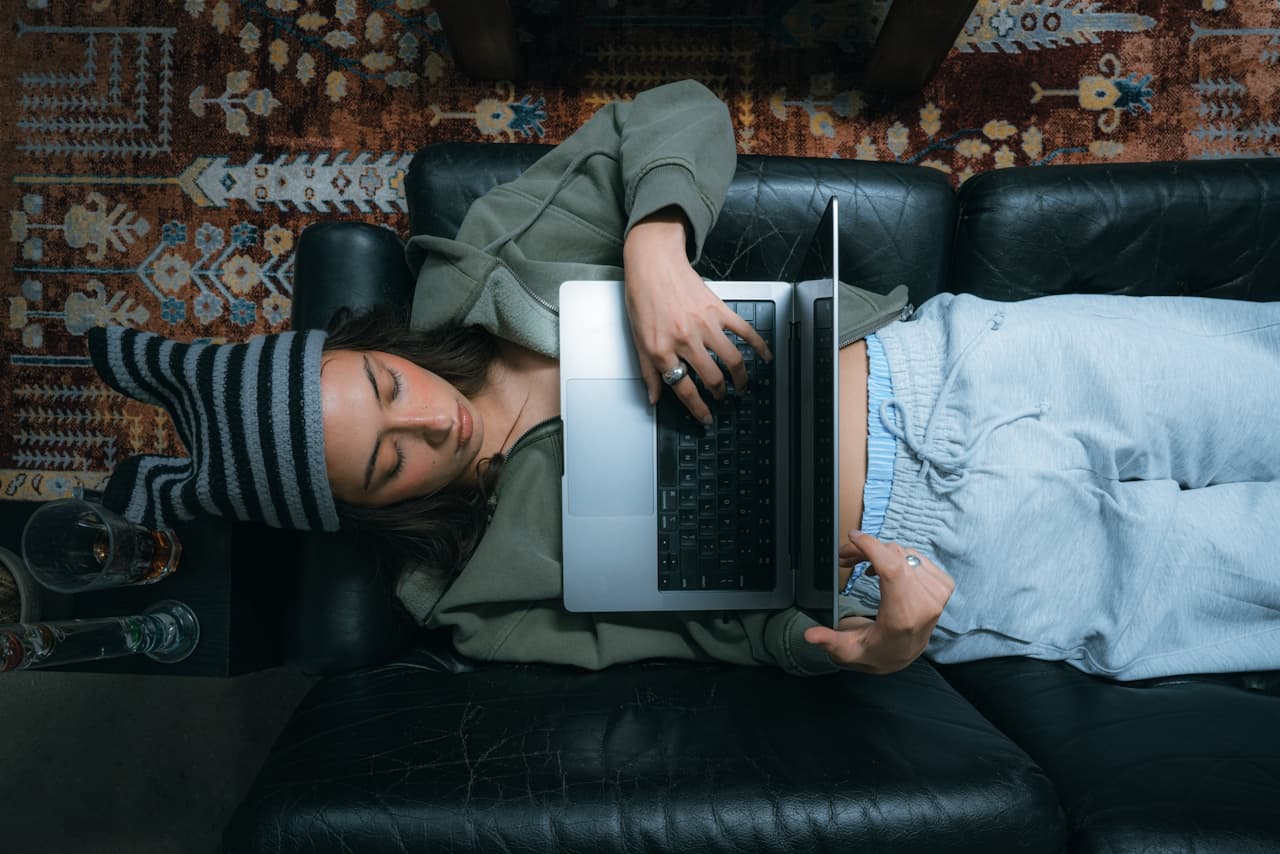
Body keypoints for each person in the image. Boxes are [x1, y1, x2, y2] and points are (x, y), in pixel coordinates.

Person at [87, 80, 1280, 681]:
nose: (432, 417)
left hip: (963, 370)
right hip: (948, 548)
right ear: (373, 506)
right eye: (392, 456)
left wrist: (652, 245)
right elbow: (714, 642)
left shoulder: (490, 254)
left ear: (373, 345)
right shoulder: (468, 595)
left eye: (389, 385)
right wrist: (868, 647)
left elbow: (675, 112)